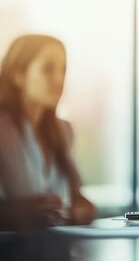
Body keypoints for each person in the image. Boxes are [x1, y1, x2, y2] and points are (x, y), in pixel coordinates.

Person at [0, 35, 95, 231]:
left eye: (63, 69)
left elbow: (79, 200)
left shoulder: (64, 131)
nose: (59, 79)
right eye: (48, 69)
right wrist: (24, 212)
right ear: (17, 75)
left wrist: (81, 211)